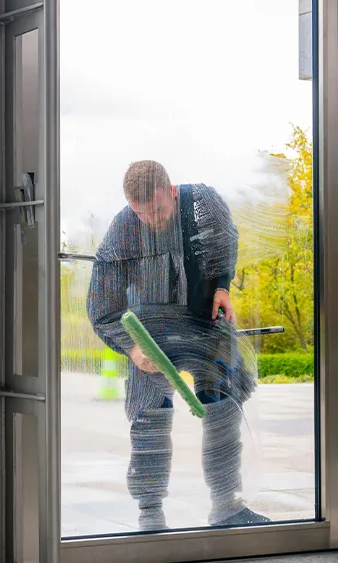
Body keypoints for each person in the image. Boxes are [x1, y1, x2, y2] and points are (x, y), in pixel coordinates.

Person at [86, 160, 269, 531]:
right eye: (141, 214)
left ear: (172, 192)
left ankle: (226, 505)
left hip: (206, 320)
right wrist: (133, 348)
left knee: (223, 406)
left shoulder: (203, 203)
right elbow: (102, 307)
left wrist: (221, 287)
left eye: (157, 211)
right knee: (149, 415)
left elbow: (224, 245)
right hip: (150, 331)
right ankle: (149, 512)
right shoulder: (123, 227)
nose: (150, 220)